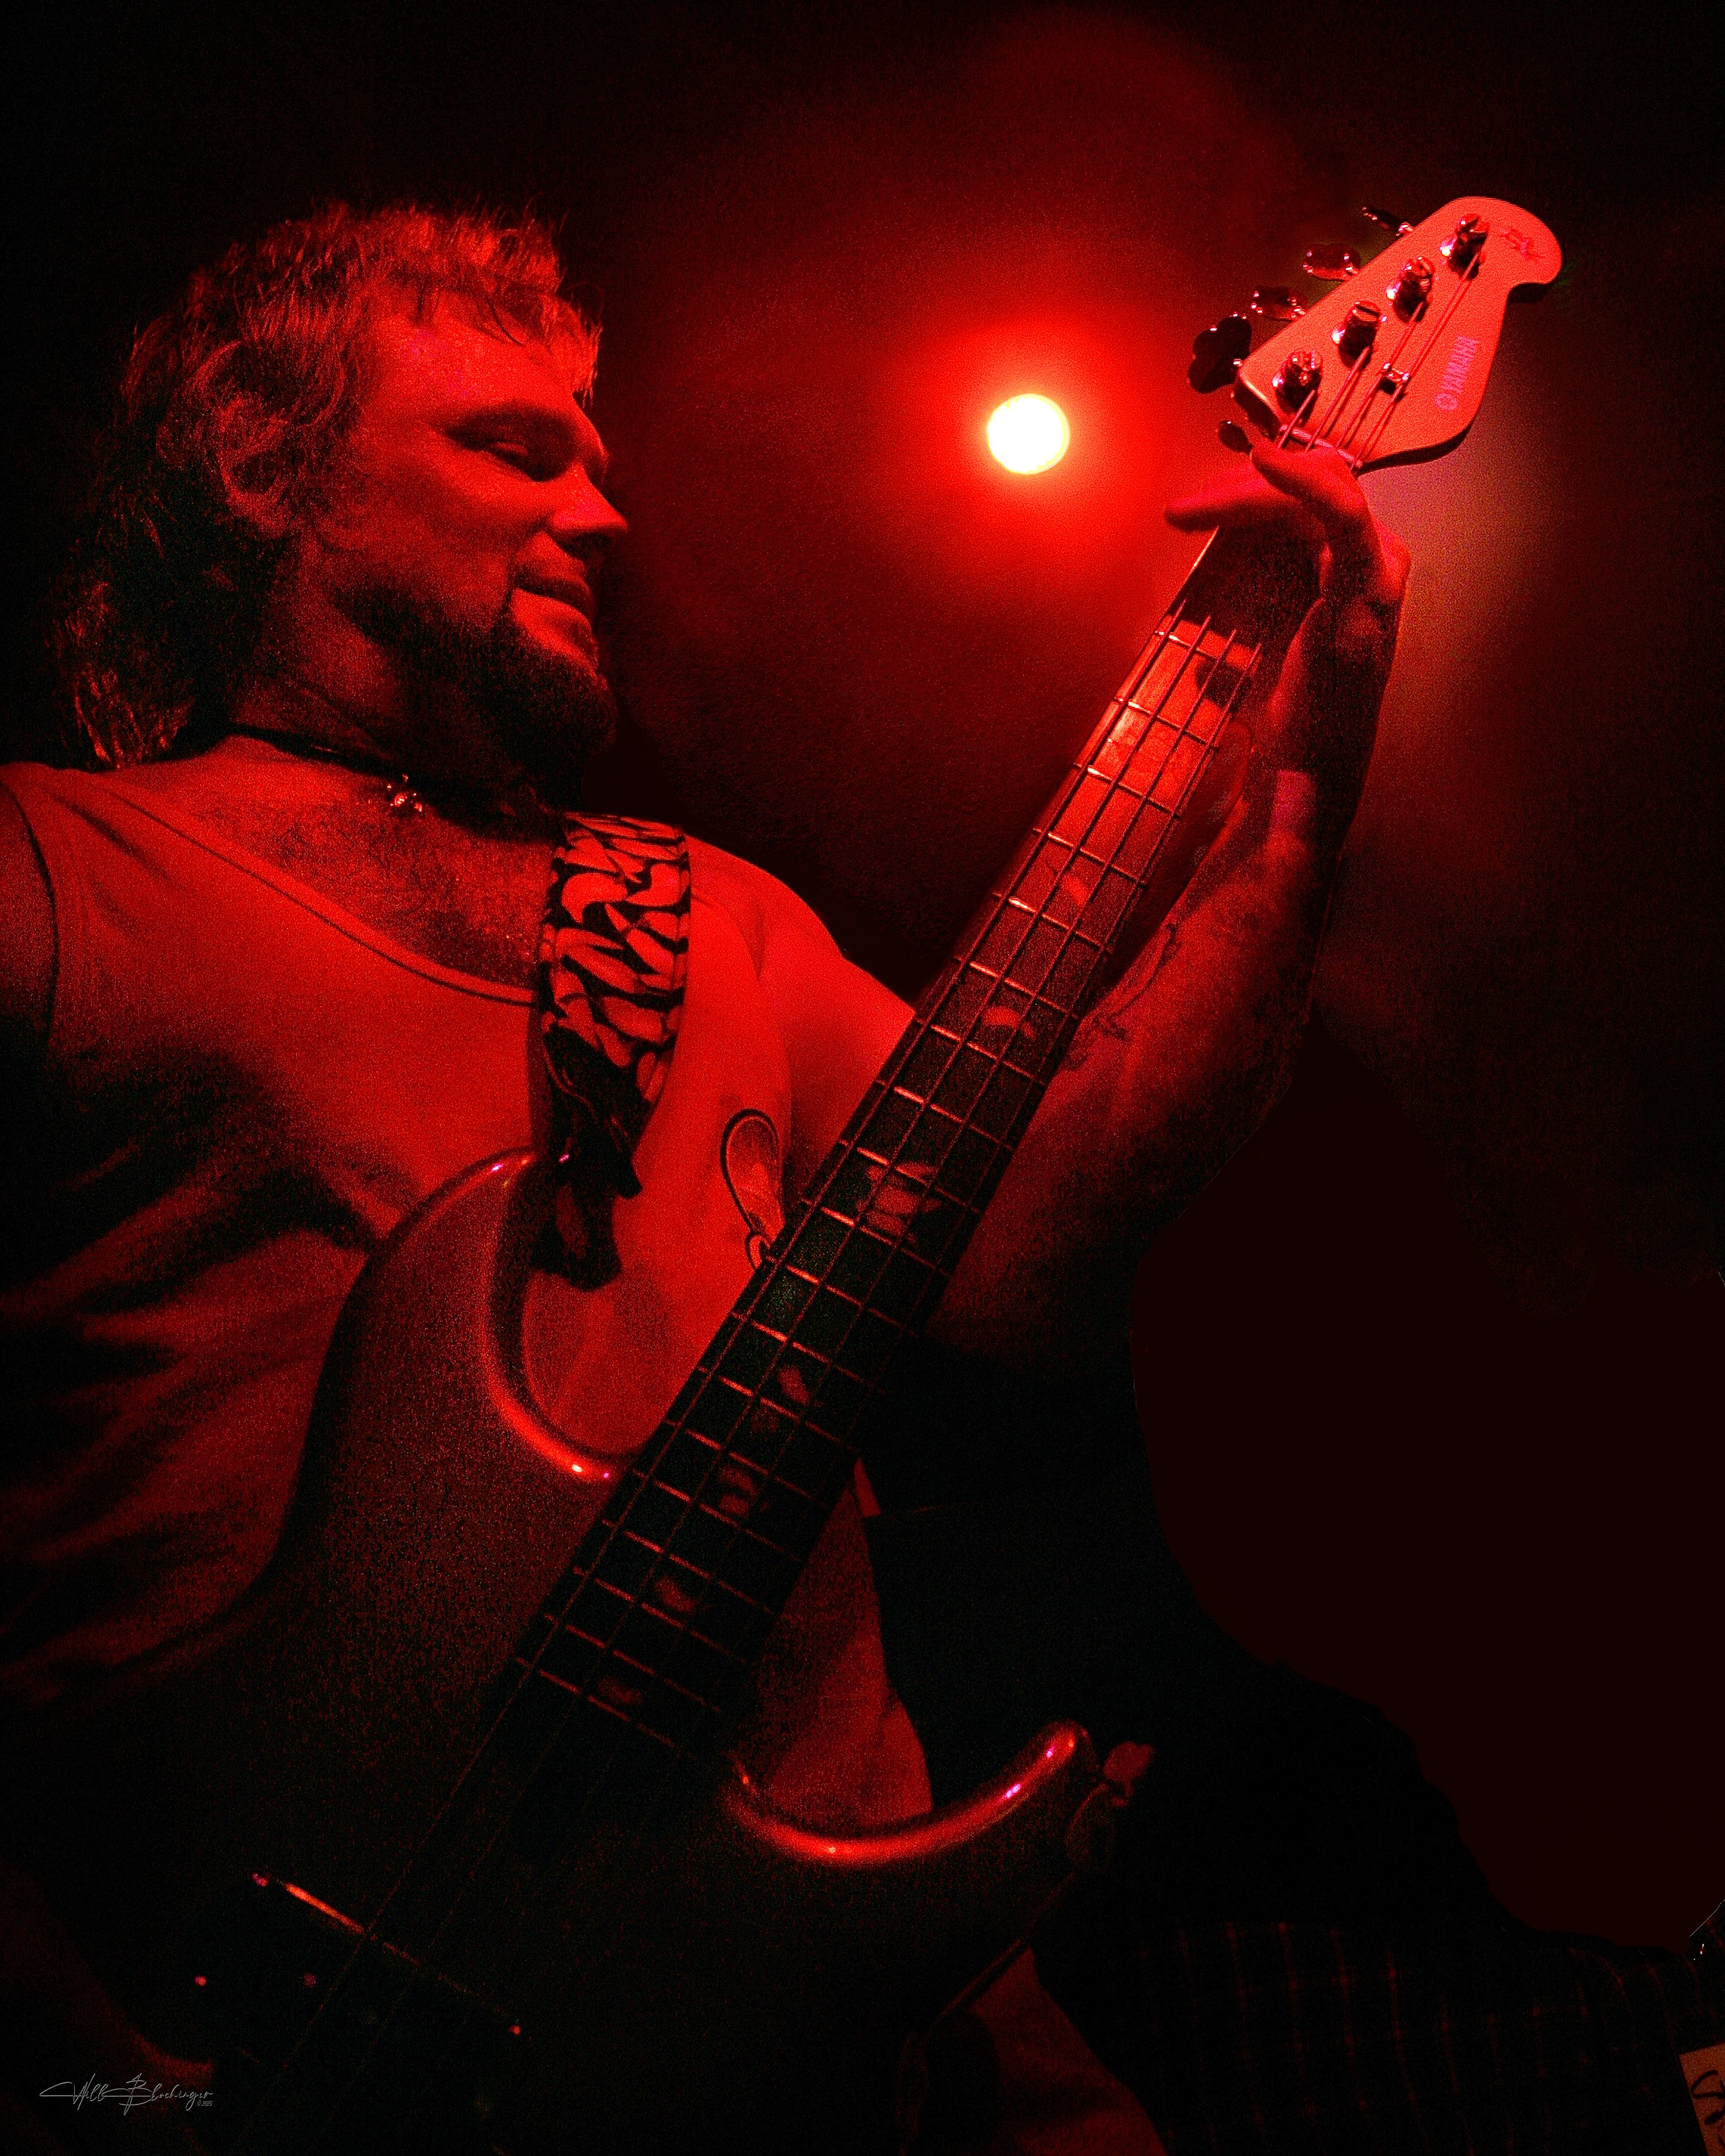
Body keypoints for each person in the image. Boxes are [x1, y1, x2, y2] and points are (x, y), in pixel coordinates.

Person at [6, 202, 1707, 2155]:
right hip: (206, 2004)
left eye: (597, 460)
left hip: (805, 2016)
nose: (601, 515)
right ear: (260, 465)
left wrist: (1299, 782)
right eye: (515, 448)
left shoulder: (705, 914)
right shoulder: (55, 876)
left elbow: (1034, 1247)